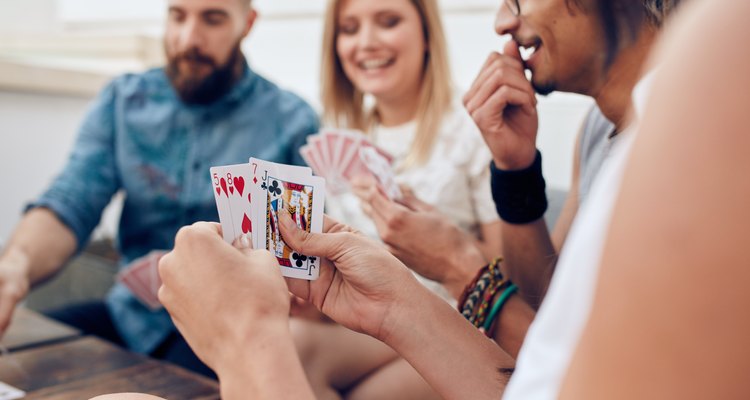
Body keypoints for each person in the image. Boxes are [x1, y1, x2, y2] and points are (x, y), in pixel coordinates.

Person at [158, 0, 750, 397]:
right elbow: (543, 350)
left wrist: (247, 337)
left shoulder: (702, 132)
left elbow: (547, 352)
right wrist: (513, 174)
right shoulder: (602, 131)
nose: (500, 20)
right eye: (349, 27)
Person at [0, 0, 317, 377]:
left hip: (225, 330)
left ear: (247, 23)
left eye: (212, 19)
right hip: (130, 316)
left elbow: (296, 251)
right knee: (16, 368)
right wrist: (16, 264)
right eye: (177, 16)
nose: (188, 39)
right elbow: (73, 198)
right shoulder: (123, 100)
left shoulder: (292, 120)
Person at [360, 0, 680, 311]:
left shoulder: (684, 139)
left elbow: (565, 358)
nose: (502, 23)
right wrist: (515, 169)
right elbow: (545, 310)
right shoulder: (596, 128)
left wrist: (458, 266)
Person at [290, 0, 502, 398]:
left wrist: (441, 243)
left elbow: (515, 280)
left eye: (388, 22)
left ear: (426, 34)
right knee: (289, 342)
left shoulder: (475, 127)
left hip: (456, 324)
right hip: (369, 320)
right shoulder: (341, 130)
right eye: (349, 28)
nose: (366, 43)